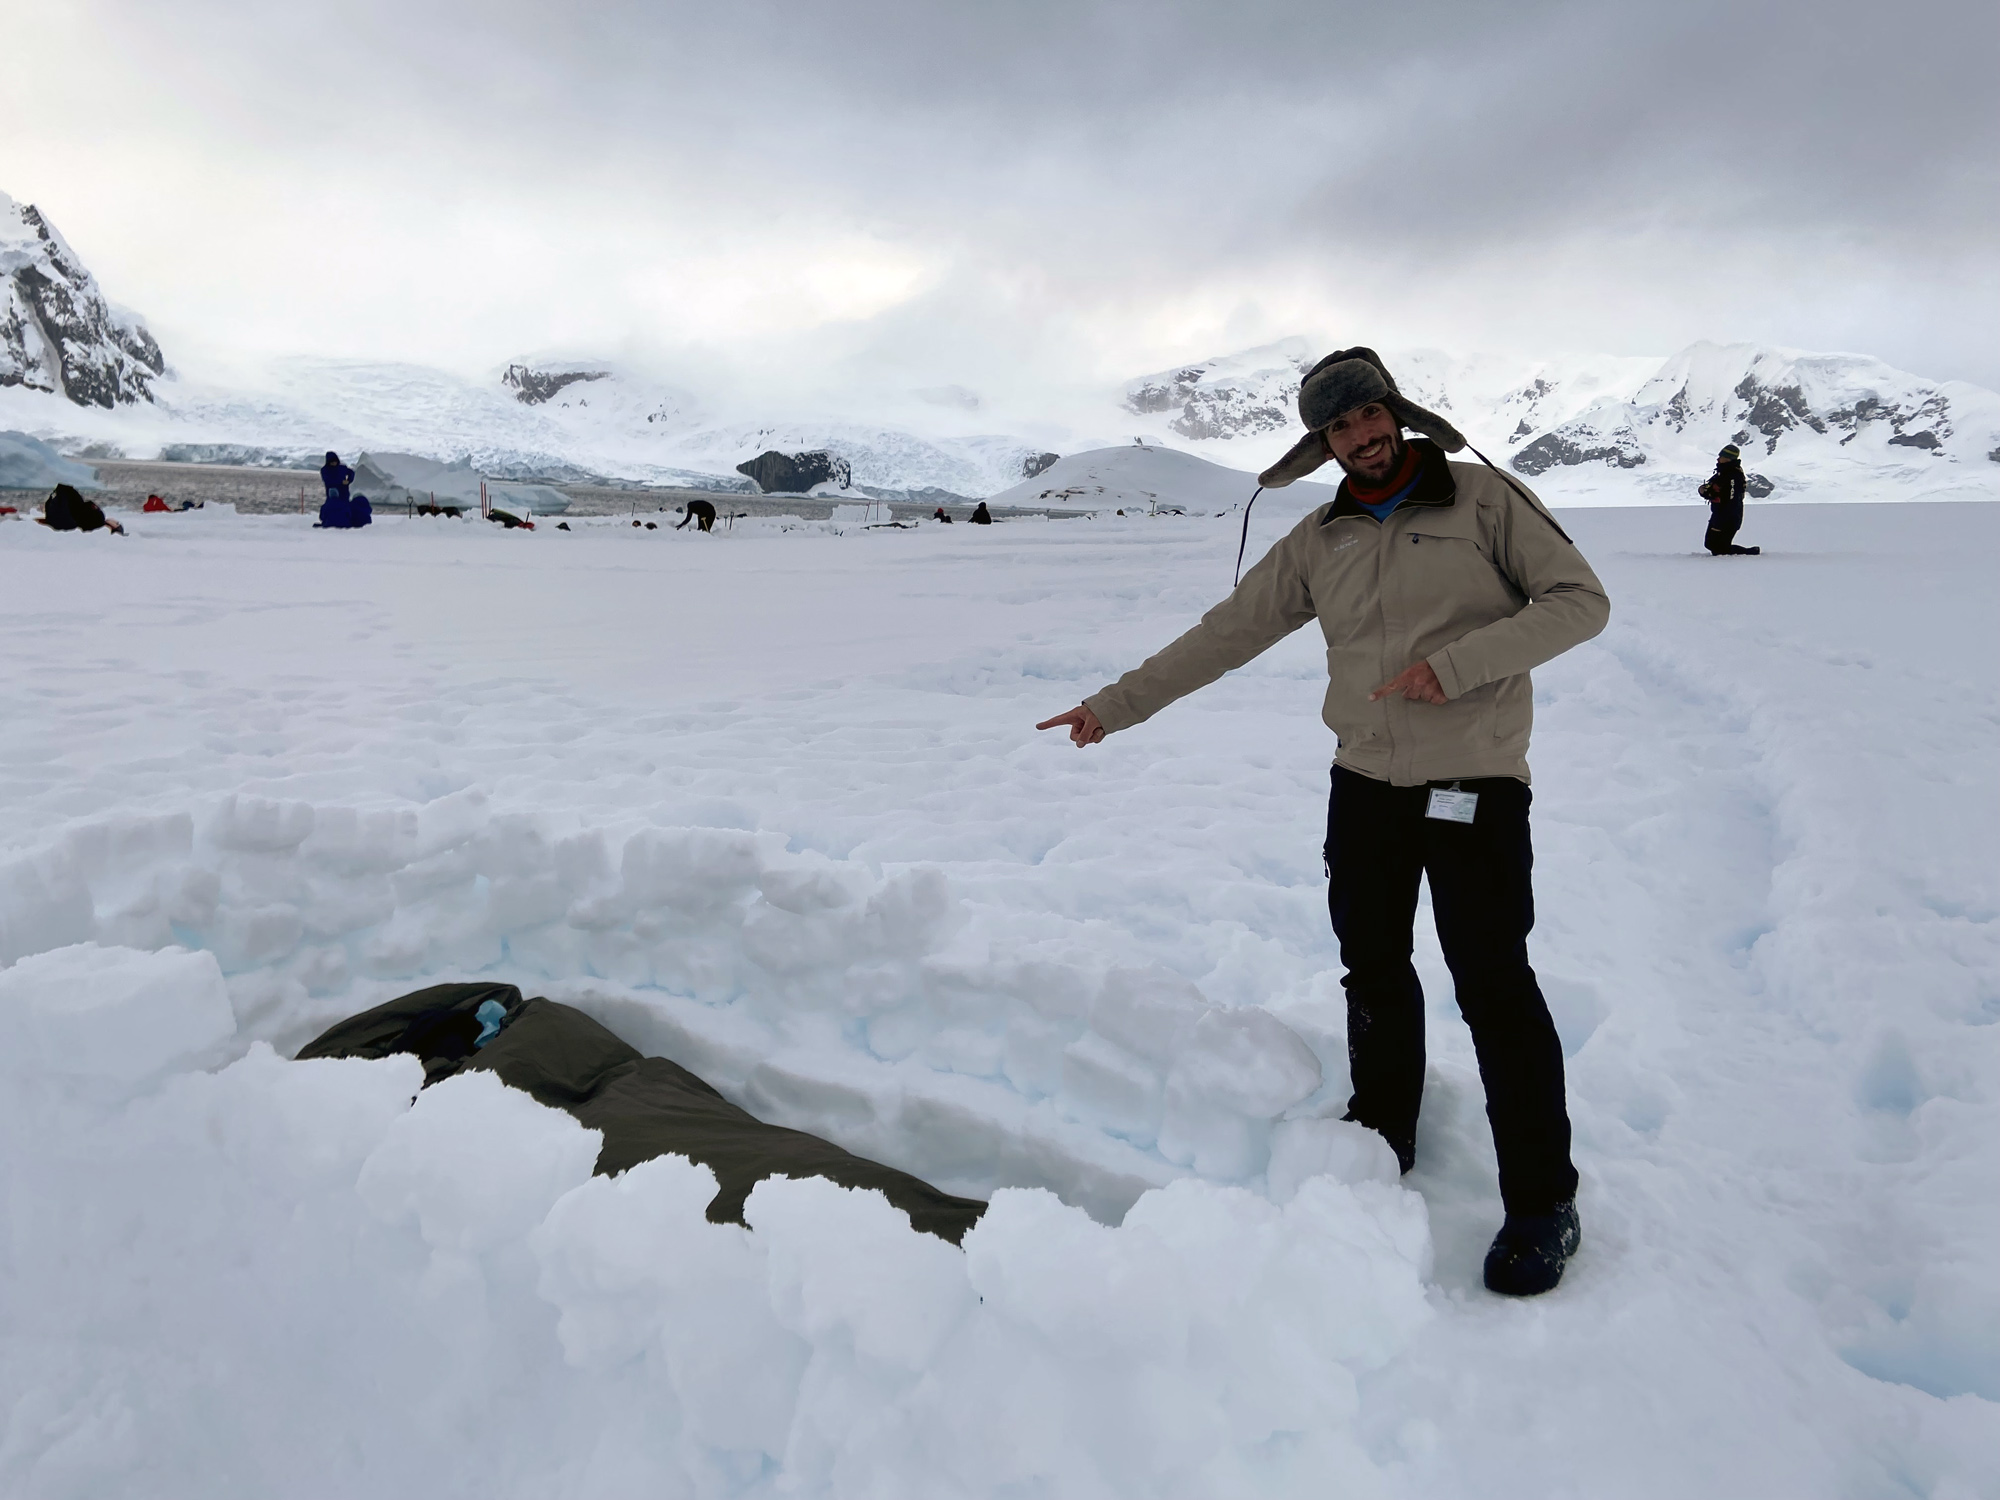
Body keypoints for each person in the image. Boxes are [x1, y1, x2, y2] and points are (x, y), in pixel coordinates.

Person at [1036, 347, 1610, 1296]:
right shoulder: (1321, 538)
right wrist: (1116, 704)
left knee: (1494, 987)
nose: (1362, 437)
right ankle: (1384, 1138)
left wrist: (1459, 666)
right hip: (1367, 786)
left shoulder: (1482, 502)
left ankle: (1544, 1200)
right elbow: (1227, 633)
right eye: (1340, 428)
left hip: (1473, 784)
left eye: (1370, 417)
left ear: (1398, 413)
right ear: (1324, 444)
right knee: (1373, 966)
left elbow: (1581, 602)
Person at [1698, 445, 1759, 555]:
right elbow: (1711, 488)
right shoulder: (1724, 472)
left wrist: (1712, 493)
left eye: (1721, 456)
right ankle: (1750, 552)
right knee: (1712, 544)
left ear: (1728, 458)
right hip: (1719, 514)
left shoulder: (1733, 475)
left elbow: (1731, 498)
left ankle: (1750, 553)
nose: (1718, 459)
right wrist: (1705, 491)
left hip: (1728, 516)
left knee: (1719, 548)